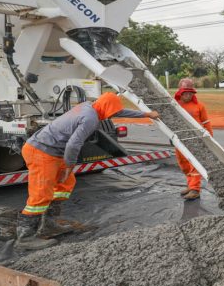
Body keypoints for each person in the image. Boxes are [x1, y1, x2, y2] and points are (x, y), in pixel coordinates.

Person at [17, 92, 159, 250]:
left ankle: (50, 224)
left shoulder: (90, 106)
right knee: (41, 193)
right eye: (112, 111)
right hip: (41, 151)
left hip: (52, 151)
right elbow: (73, 144)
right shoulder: (90, 118)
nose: (113, 115)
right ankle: (25, 238)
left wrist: (146, 114)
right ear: (106, 107)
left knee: (65, 183)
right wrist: (70, 165)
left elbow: (119, 112)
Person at [174, 78, 213, 200]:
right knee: (184, 164)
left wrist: (209, 138)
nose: (188, 95)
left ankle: (195, 190)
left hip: (195, 140)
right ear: (180, 92)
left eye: (190, 93)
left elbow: (206, 122)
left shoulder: (199, 106)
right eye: (185, 93)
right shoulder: (175, 105)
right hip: (179, 140)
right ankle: (190, 185)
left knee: (194, 164)